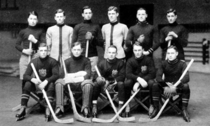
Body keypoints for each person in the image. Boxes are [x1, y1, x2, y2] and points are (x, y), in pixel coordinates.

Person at [15, 43, 59, 121]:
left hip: (48, 84)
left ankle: (47, 108)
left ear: (48, 51)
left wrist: (46, 81)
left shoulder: (53, 61)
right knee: (27, 84)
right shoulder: (33, 62)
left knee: (52, 84)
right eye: (41, 50)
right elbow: (25, 75)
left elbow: (56, 75)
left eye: (45, 50)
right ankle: (23, 108)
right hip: (37, 84)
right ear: (38, 51)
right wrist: (33, 79)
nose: (43, 52)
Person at [152, 46, 191, 122]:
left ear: (176, 53)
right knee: (155, 85)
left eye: (172, 53)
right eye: (168, 53)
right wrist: (166, 86)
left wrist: (174, 86)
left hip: (177, 86)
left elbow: (187, 78)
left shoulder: (182, 64)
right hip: (166, 87)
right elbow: (158, 77)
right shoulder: (163, 63)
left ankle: (184, 109)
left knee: (186, 86)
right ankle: (156, 108)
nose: (170, 55)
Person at [55, 42, 93, 118]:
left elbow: (87, 75)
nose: (76, 51)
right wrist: (80, 74)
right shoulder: (67, 61)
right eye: (74, 49)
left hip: (81, 85)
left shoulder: (86, 61)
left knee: (88, 83)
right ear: (71, 50)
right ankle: (59, 108)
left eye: (78, 50)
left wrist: (72, 77)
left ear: (82, 50)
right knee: (59, 82)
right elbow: (62, 76)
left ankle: (85, 108)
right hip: (68, 86)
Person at [92, 45, 125, 117]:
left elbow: (122, 76)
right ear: (107, 53)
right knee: (96, 84)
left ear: (116, 54)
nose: (111, 54)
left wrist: (113, 81)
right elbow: (95, 76)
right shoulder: (101, 63)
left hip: (115, 84)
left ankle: (120, 105)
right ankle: (94, 105)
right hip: (103, 85)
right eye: (109, 52)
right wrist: (102, 80)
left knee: (121, 84)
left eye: (113, 53)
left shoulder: (120, 63)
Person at [15, 11, 45, 92]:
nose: (33, 21)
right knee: (25, 78)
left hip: (36, 56)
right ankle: (24, 100)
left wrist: (34, 40)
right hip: (25, 56)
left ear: (37, 20)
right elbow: (17, 45)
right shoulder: (23, 31)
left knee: (37, 77)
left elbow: (43, 45)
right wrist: (25, 50)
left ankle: (40, 98)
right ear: (28, 19)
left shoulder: (40, 31)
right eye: (31, 18)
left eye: (35, 19)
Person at [124, 42, 156, 117]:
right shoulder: (130, 60)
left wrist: (140, 82)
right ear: (133, 51)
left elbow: (152, 74)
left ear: (143, 50)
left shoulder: (148, 59)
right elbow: (128, 74)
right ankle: (127, 104)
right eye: (135, 50)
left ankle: (152, 104)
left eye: (139, 50)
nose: (137, 52)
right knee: (127, 82)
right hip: (134, 82)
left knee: (152, 83)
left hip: (146, 82)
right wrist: (138, 79)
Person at [72, 6, 104, 79]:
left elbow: (100, 42)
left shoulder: (96, 26)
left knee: (92, 75)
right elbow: (73, 43)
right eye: (86, 13)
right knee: (81, 75)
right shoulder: (78, 27)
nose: (88, 14)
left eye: (89, 13)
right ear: (82, 14)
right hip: (81, 56)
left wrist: (92, 38)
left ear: (92, 14)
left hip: (93, 56)